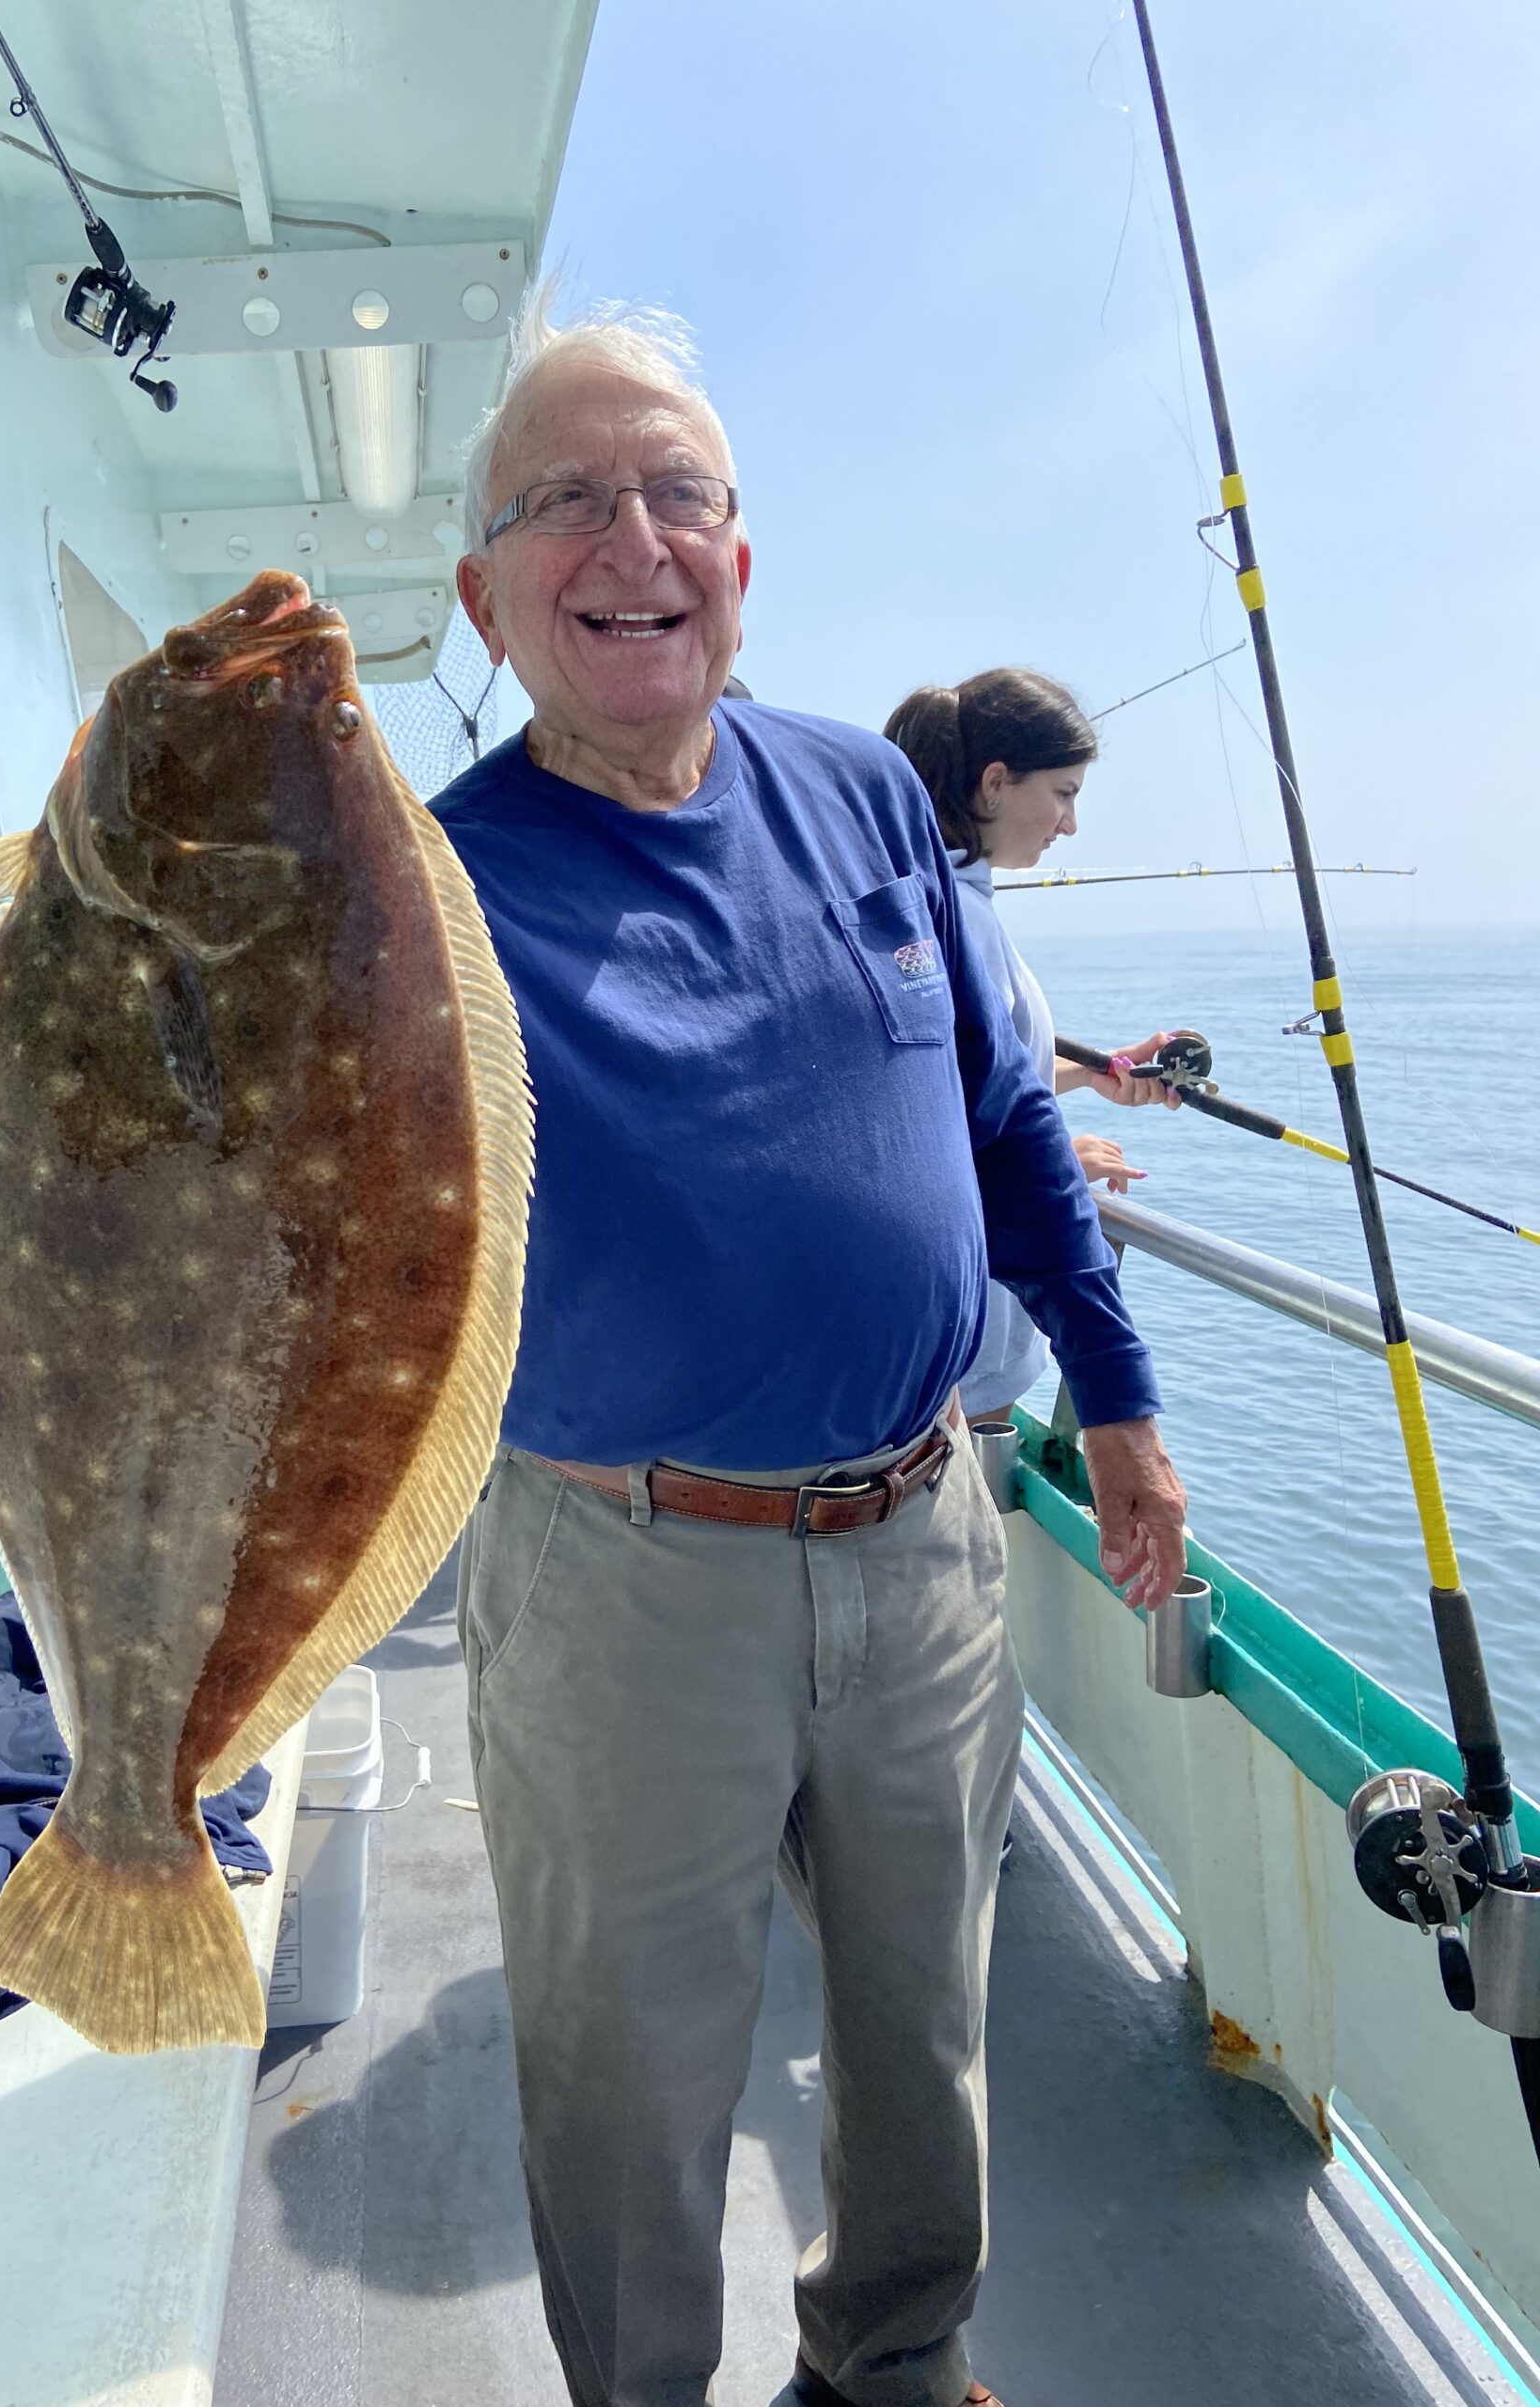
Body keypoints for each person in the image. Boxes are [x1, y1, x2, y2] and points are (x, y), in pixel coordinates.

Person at [436, 288, 1187, 2407]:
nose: (633, 538)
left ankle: (895, 2357)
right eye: (565, 501)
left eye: (678, 492)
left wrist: (1114, 1392)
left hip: (927, 1530)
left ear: (744, 566)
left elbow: (1007, 1114)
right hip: (617, 1571)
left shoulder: (867, 795)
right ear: (487, 595)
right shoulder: (425, 885)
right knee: (625, 2073)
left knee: (924, 2015)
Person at [884, 672, 1182, 1423]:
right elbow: (922, 1121)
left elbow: (971, 1074)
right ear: (992, 785)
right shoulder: (963, 925)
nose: (1071, 823)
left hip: (944, 1340)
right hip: (965, 1358)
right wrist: (1055, 1166)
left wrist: (1089, 1072)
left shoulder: (928, 900)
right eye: (1063, 793)